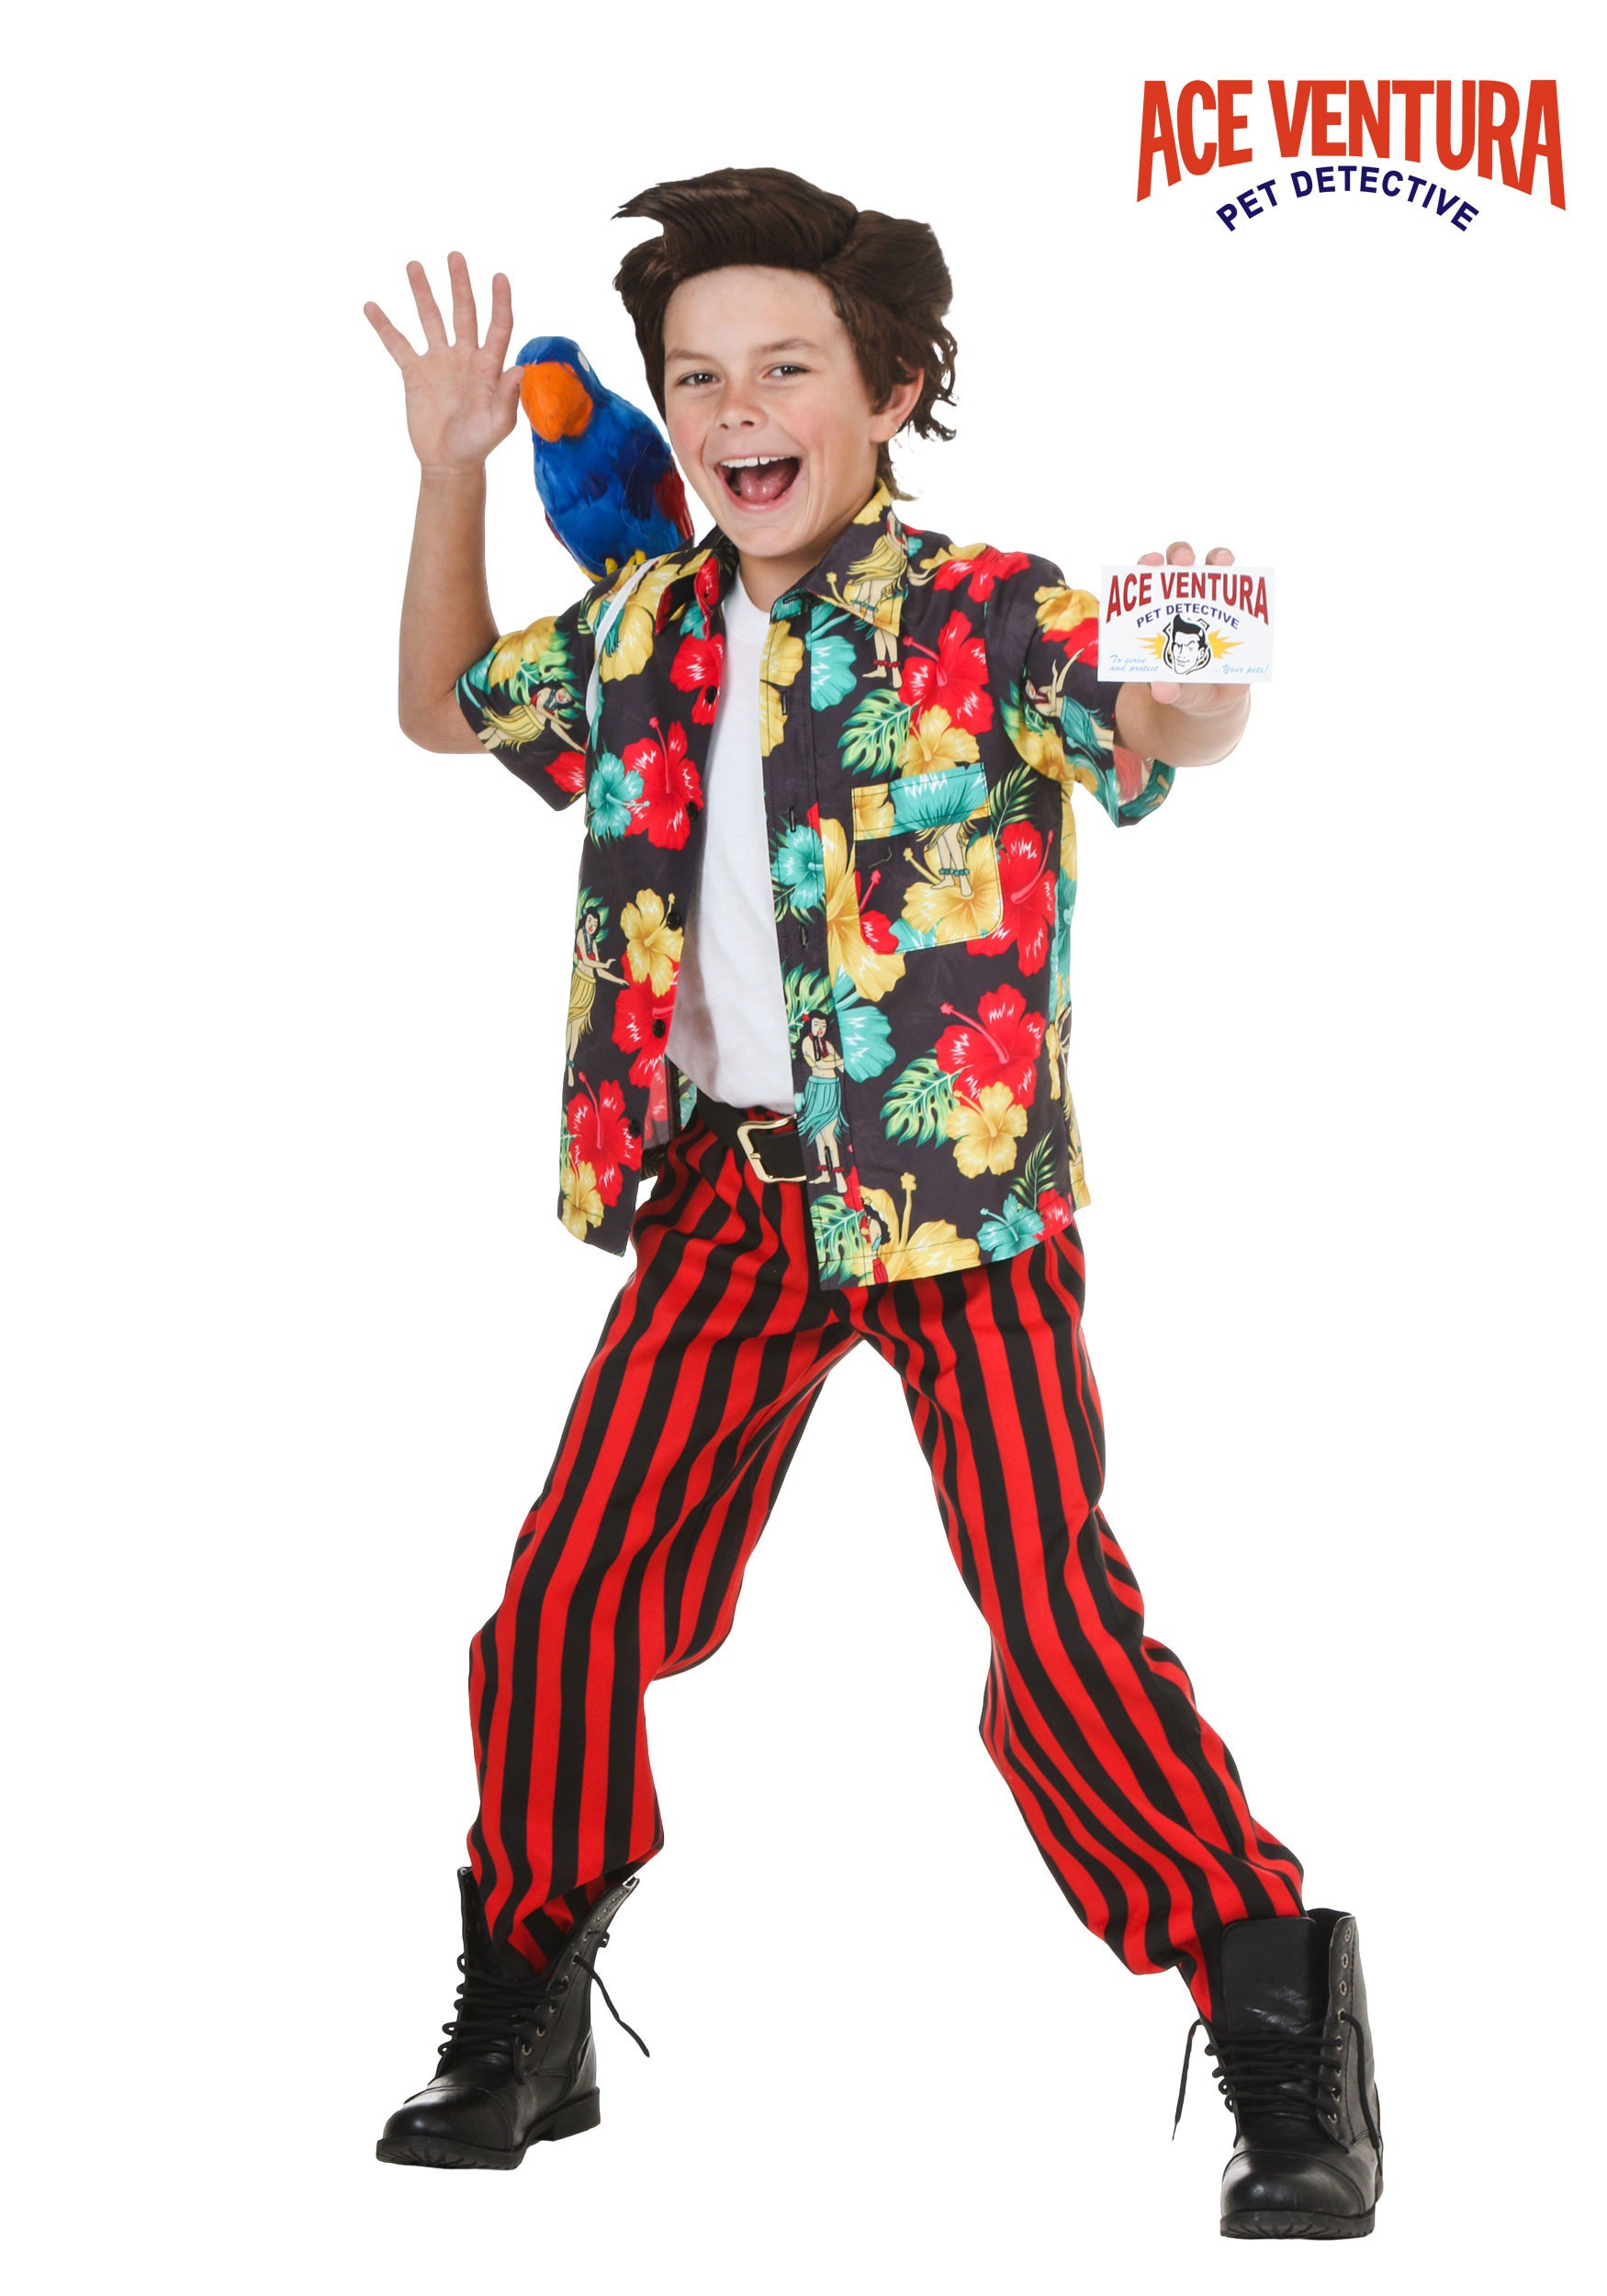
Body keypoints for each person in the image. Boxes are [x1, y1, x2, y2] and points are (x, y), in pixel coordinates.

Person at [360, 166, 1383, 2235]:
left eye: (785, 369)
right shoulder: (642, 626)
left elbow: (1153, 720)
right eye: (696, 377)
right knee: (565, 1604)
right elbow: (440, 707)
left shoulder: (986, 610)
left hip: (953, 1208)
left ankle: (1280, 2027)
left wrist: (1200, 670)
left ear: (893, 389)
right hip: (720, 1203)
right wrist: (451, 473)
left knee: (1050, 1620)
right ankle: (525, 2008)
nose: (736, 410)